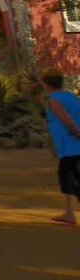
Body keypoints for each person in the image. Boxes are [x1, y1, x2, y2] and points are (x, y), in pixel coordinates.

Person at [41, 68, 80, 226]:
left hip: (70, 144)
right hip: (69, 146)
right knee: (69, 178)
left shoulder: (53, 99)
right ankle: (69, 212)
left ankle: (70, 213)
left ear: (47, 84)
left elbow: (66, 120)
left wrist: (77, 133)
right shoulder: (71, 96)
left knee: (72, 179)